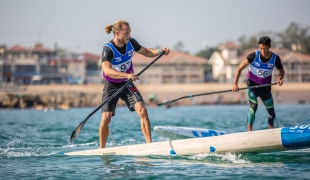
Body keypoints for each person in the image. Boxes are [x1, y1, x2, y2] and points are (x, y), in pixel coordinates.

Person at [100, 20, 170, 148]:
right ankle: (101, 149)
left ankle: (149, 145)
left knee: (143, 110)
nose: (129, 35)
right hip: (112, 85)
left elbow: (147, 52)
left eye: (130, 32)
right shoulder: (108, 49)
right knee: (106, 118)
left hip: (127, 84)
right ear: (117, 33)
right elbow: (107, 71)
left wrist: (160, 51)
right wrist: (127, 75)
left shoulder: (131, 42)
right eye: (126, 33)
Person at [232, 36, 285, 131]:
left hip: (265, 88)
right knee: (253, 107)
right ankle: (249, 132)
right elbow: (239, 69)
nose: (263, 51)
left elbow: (281, 72)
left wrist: (280, 78)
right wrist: (235, 84)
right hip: (252, 86)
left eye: (265, 49)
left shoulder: (275, 58)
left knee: (271, 112)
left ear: (270, 46)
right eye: (261, 48)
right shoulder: (253, 56)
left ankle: (271, 132)